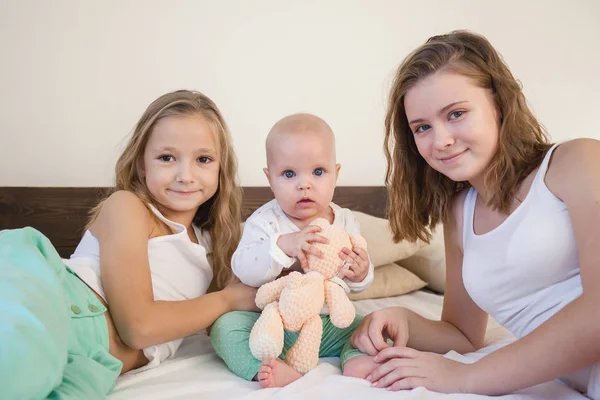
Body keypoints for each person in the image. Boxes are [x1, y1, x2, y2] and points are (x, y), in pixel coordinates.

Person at [347, 30, 600, 398]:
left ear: (498, 103)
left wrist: (466, 377)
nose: (441, 140)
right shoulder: (458, 212)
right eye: (422, 128)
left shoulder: (578, 162)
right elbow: (463, 334)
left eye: (457, 114)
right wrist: (403, 318)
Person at [0, 89, 258, 399]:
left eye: (203, 159)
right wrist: (226, 300)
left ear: (220, 168)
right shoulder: (128, 208)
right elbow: (138, 327)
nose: (185, 175)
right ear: (141, 165)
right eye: (166, 157)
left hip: (95, 363)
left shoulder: (213, 247)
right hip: (54, 302)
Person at [210, 113, 375, 388]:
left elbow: (354, 284)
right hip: (271, 324)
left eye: (318, 172)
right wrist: (283, 246)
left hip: (326, 325)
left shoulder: (345, 221)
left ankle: (355, 359)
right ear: (270, 178)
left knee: (368, 326)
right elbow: (243, 269)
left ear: (336, 174)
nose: (304, 184)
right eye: (289, 174)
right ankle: (267, 368)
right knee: (224, 329)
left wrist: (361, 273)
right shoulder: (265, 221)